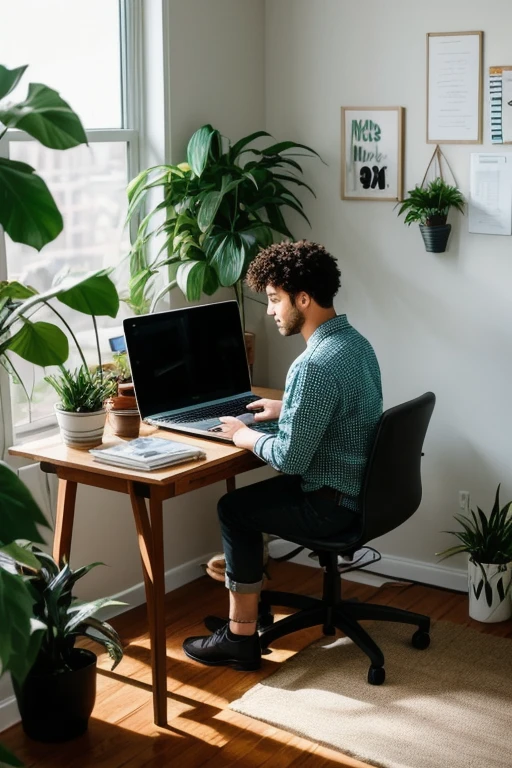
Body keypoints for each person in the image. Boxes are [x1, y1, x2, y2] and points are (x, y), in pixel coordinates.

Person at [182, 240, 382, 671]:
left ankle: (239, 637)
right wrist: (283, 407)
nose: (271, 310)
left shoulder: (313, 365)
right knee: (248, 504)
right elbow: (343, 411)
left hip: (331, 504)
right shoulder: (355, 344)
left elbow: (290, 457)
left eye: (275, 299)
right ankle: (251, 612)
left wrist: (243, 435)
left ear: (303, 299)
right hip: (361, 492)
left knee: (234, 509)